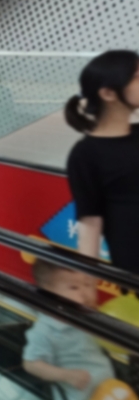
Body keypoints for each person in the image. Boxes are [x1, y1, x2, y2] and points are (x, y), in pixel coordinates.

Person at [65, 50, 139, 275]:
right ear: (108, 93)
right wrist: (85, 281)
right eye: (136, 77)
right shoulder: (85, 154)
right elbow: (90, 222)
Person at [23, 260, 114, 400]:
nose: (84, 292)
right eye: (74, 287)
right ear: (50, 295)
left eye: (86, 284)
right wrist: (67, 375)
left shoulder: (84, 315)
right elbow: (31, 364)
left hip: (109, 391)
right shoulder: (45, 330)